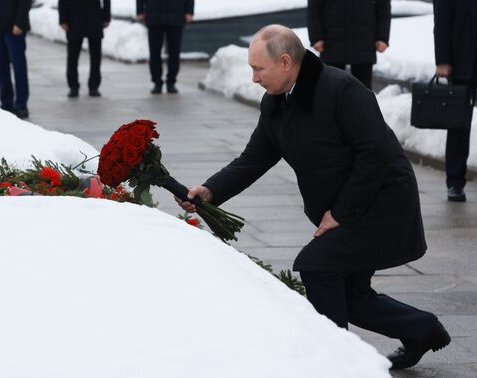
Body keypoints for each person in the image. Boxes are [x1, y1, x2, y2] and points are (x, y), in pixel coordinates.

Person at [176, 25, 451, 370]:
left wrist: (340, 212)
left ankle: (335, 363)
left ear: (286, 62)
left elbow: (375, 155)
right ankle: (422, 330)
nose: (254, 78)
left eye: (258, 69)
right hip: (347, 205)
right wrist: (211, 190)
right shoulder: (276, 101)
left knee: (317, 266)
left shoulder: (343, 90)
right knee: (351, 295)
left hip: (381, 201)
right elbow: (256, 157)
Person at [433, 0, 477, 202]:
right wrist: (442, 59)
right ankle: (455, 182)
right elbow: (441, 16)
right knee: (459, 124)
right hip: (463, 58)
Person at [307, 0, 391, 90]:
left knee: (363, 91)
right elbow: (314, 10)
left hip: (364, 40)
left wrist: (382, 37)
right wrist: (316, 37)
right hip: (332, 42)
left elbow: (383, 8)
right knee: (331, 88)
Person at [136, 0, 194, 94]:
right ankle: (157, 82)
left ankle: (171, 81)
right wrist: (140, 11)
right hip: (154, 15)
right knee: (154, 52)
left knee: (174, 52)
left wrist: (189, 11)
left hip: (176, 15)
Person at [58, 0, 111, 98]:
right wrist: (62, 19)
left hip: (94, 16)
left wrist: (107, 16)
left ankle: (94, 86)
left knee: (96, 56)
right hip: (74, 17)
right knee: (73, 56)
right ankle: (73, 86)